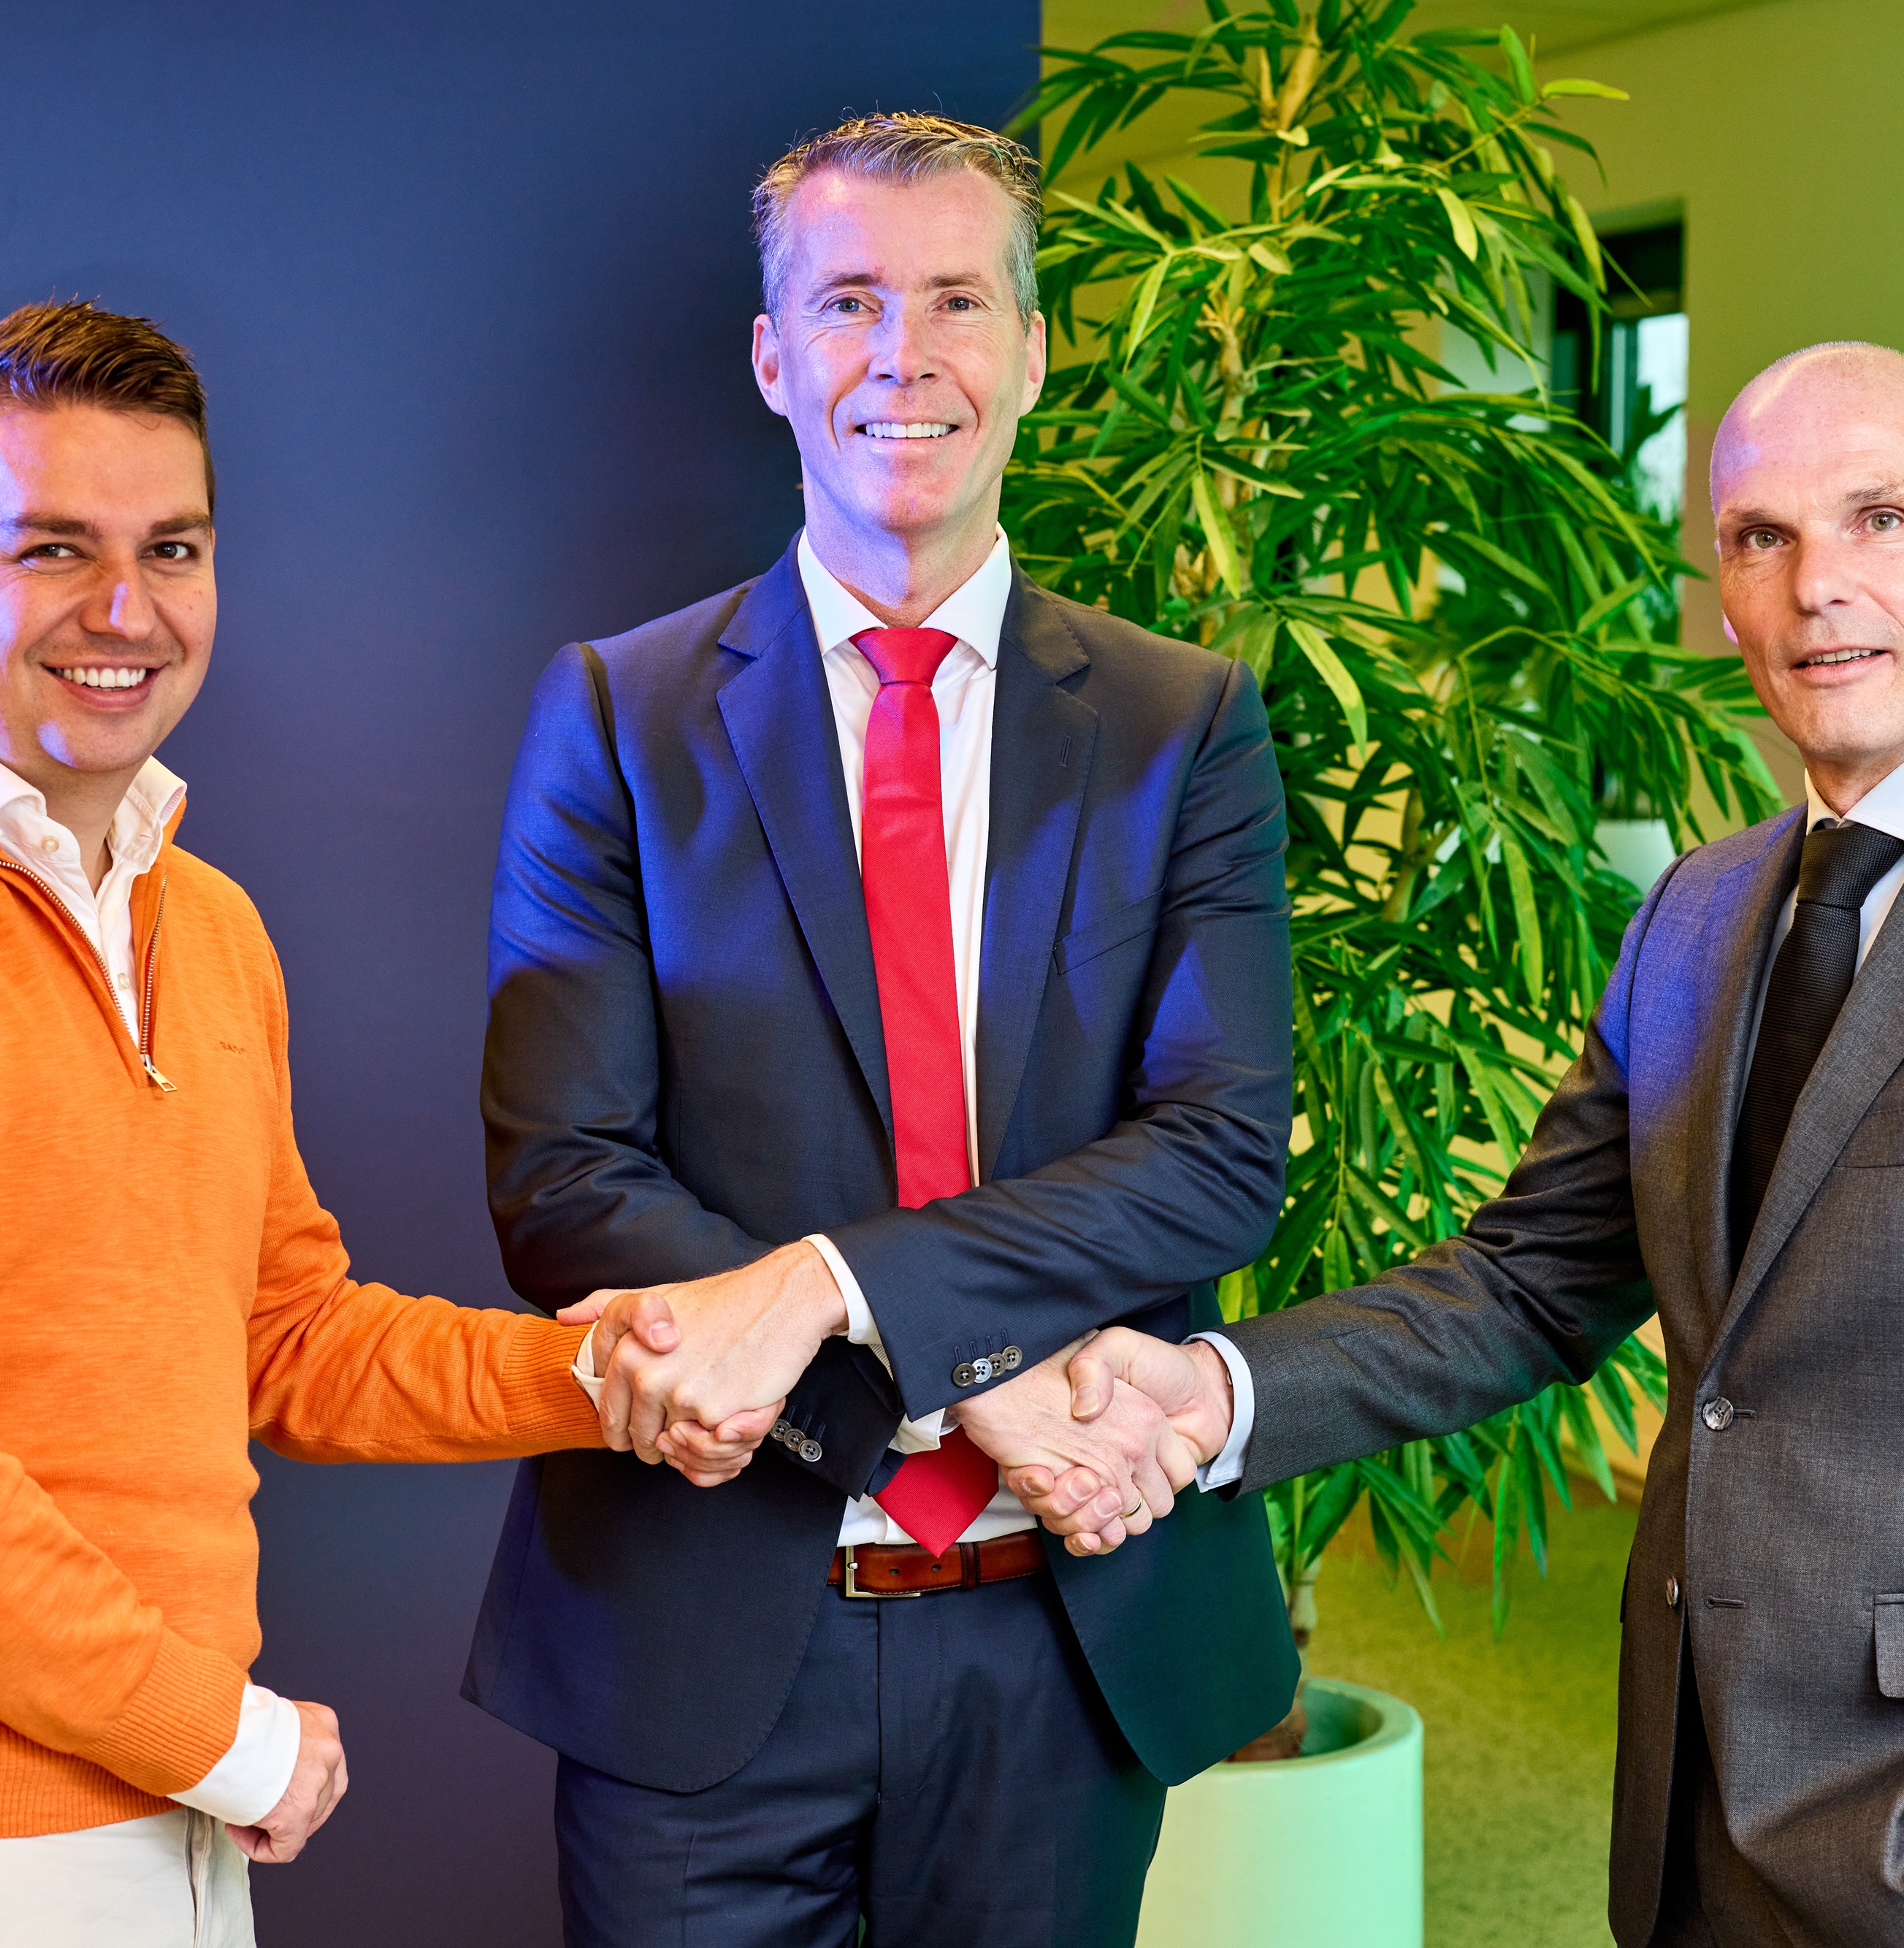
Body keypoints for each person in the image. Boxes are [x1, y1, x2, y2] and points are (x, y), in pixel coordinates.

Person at [1022, 344, 1904, 1948]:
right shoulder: (1697, 913)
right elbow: (1529, 1281)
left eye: (1880, 519)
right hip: (1690, 1815)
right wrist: (1214, 1394)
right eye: (1759, 536)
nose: (1814, 586)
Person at [0, 300, 770, 1948]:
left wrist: (601, 1378)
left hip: (163, 1818)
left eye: (171, 548)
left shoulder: (209, 924)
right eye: (52, 547)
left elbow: (284, 1336)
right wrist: (221, 1738)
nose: (125, 609)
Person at [471, 115, 1299, 1947]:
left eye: (954, 300)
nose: (901, 354)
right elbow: (565, 1179)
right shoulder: (618, 714)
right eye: (846, 301)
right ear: (774, 357)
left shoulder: (1181, 726)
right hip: (701, 1642)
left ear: (1032, 348)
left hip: (1059, 1647)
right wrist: (956, 1379)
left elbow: (1217, 1153)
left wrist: (846, 1293)